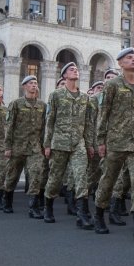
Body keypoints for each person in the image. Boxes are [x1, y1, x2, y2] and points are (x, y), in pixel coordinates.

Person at [94, 48, 134, 244]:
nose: (133, 60)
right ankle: (99, 215)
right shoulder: (111, 85)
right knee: (108, 180)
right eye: (129, 57)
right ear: (120, 63)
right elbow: (103, 113)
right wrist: (101, 141)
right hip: (115, 141)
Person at [43, 62, 95, 229]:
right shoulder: (56, 95)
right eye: (71, 69)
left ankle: (82, 215)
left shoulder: (84, 97)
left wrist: (89, 144)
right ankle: (48, 207)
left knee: (81, 177)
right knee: (55, 178)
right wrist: (47, 144)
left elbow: (88, 123)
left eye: (76, 69)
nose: (75, 71)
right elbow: (49, 121)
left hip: (78, 143)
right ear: (64, 76)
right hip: (59, 142)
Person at [3, 76, 46, 214]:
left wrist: (44, 145)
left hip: (34, 147)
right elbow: (9, 126)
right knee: (12, 176)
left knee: (36, 175)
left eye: (35, 83)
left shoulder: (42, 105)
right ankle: (7, 200)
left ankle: (33, 207)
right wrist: (7, 147)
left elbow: (45, 127)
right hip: (17, 147)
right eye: (31, 83)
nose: (34, 85)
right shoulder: (16, 104)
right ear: (24, 86)